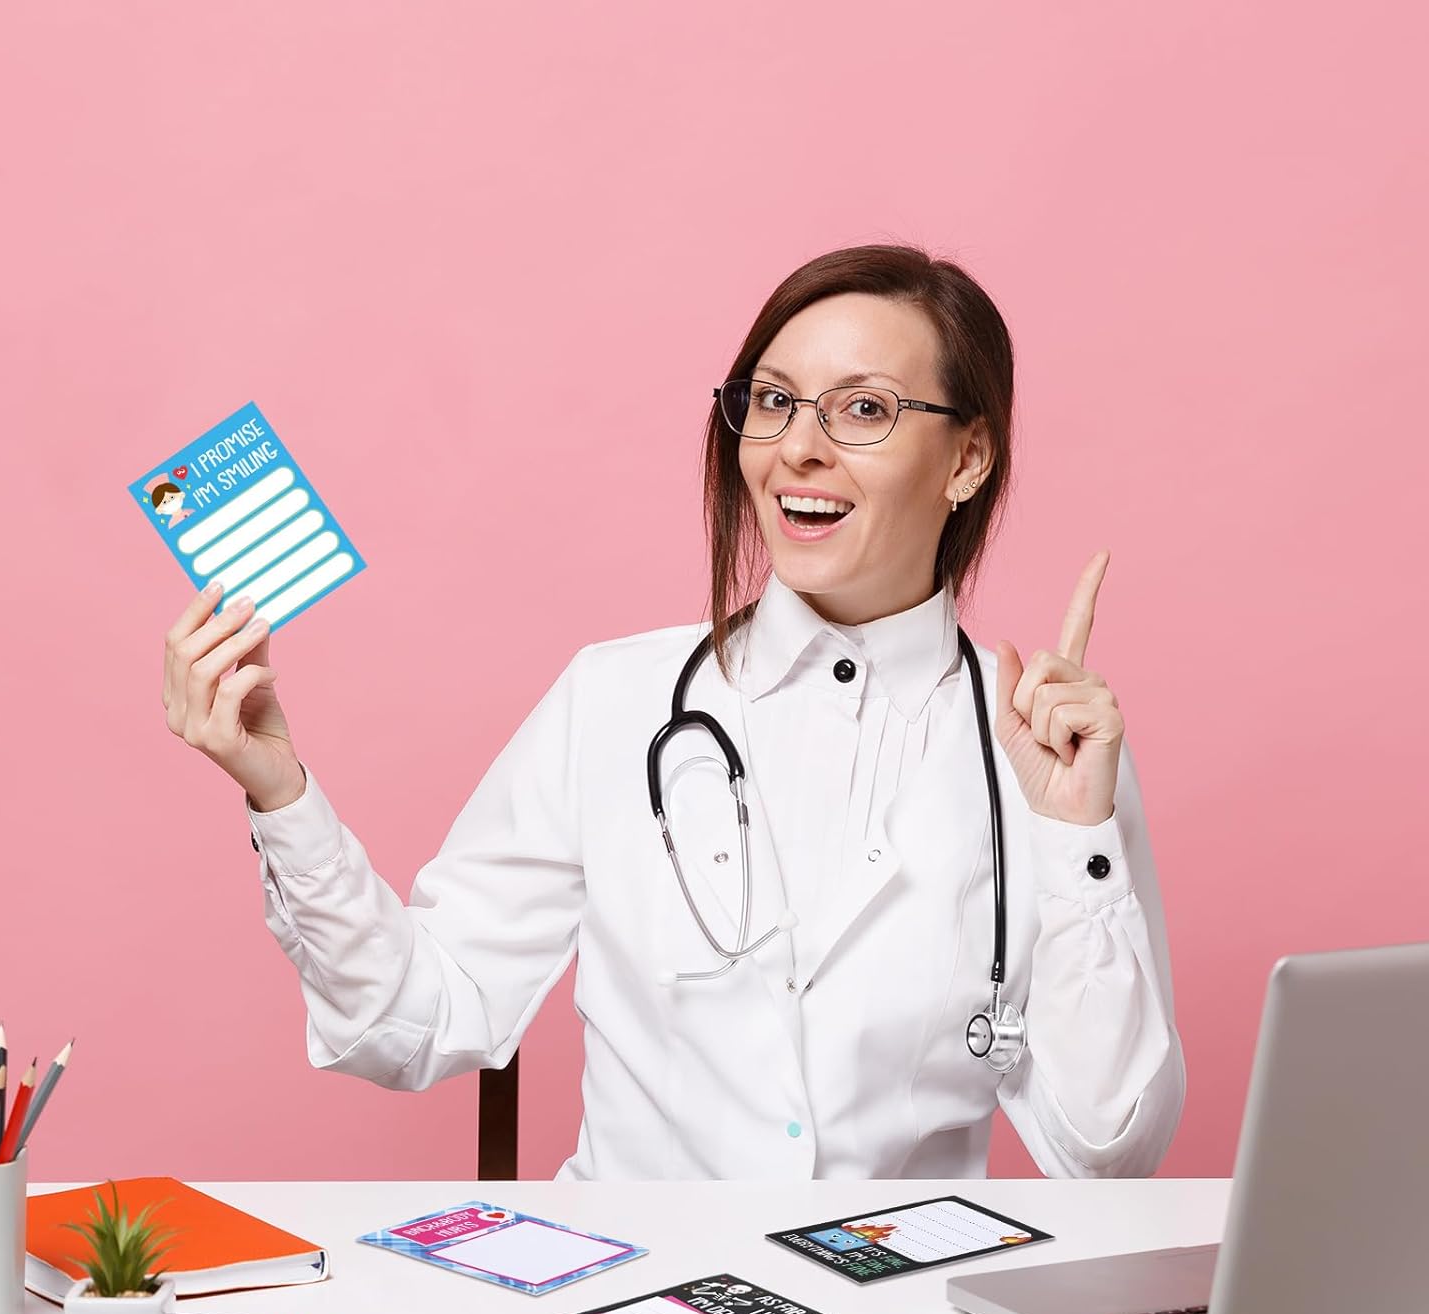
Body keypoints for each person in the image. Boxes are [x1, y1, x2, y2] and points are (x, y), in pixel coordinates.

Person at [161, 244, 1184, 1181]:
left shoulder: (1046, 756)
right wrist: (281, 795)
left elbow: (1108, 1153)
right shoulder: (614, 700)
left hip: (893, 1305)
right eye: (773, 401)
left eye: (864, 410)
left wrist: (1077, 842)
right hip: (635, 1301)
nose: (799, 448)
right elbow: (414, 1018)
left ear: (967, 459)